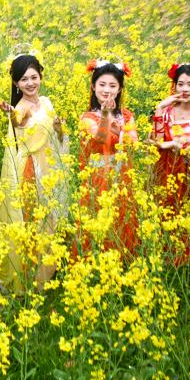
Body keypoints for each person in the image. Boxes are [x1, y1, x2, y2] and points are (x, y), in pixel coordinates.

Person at [0, 54, 68, 293]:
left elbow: (58, 137)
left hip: (50, 168)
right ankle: (25, 277)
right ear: (16, 83)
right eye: (24, 79)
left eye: (34, 77)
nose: (30, 83)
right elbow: (19, 124)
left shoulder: (46, 102)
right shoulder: (20, 108)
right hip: (31, 170)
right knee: (32, 221)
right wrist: (12, 116)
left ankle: (43, 277)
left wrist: (59, 129)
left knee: (49, 219)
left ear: (41, 77)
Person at [150, 62, 190, 265]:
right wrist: (159, 108)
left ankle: (188, 260)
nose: (184, 89)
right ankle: (164, 257)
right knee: (164, 210)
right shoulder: (166, 113)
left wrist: (187, 150)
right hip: (165, 170)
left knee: (189, 212)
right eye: (180, 84)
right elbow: (155, 140)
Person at [75, 60, 140, 259]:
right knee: (97, 217)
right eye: (102, 84)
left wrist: (119, 130)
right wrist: (105, 116)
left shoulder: (126, 116)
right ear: (93, 86)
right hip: (98, 177)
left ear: (120, 89)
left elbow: (134, 143)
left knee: (121, 216)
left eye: (112, 85)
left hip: (122, 174)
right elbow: (100, 139)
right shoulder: (87, 117)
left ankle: (121, 260)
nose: (107, 90)